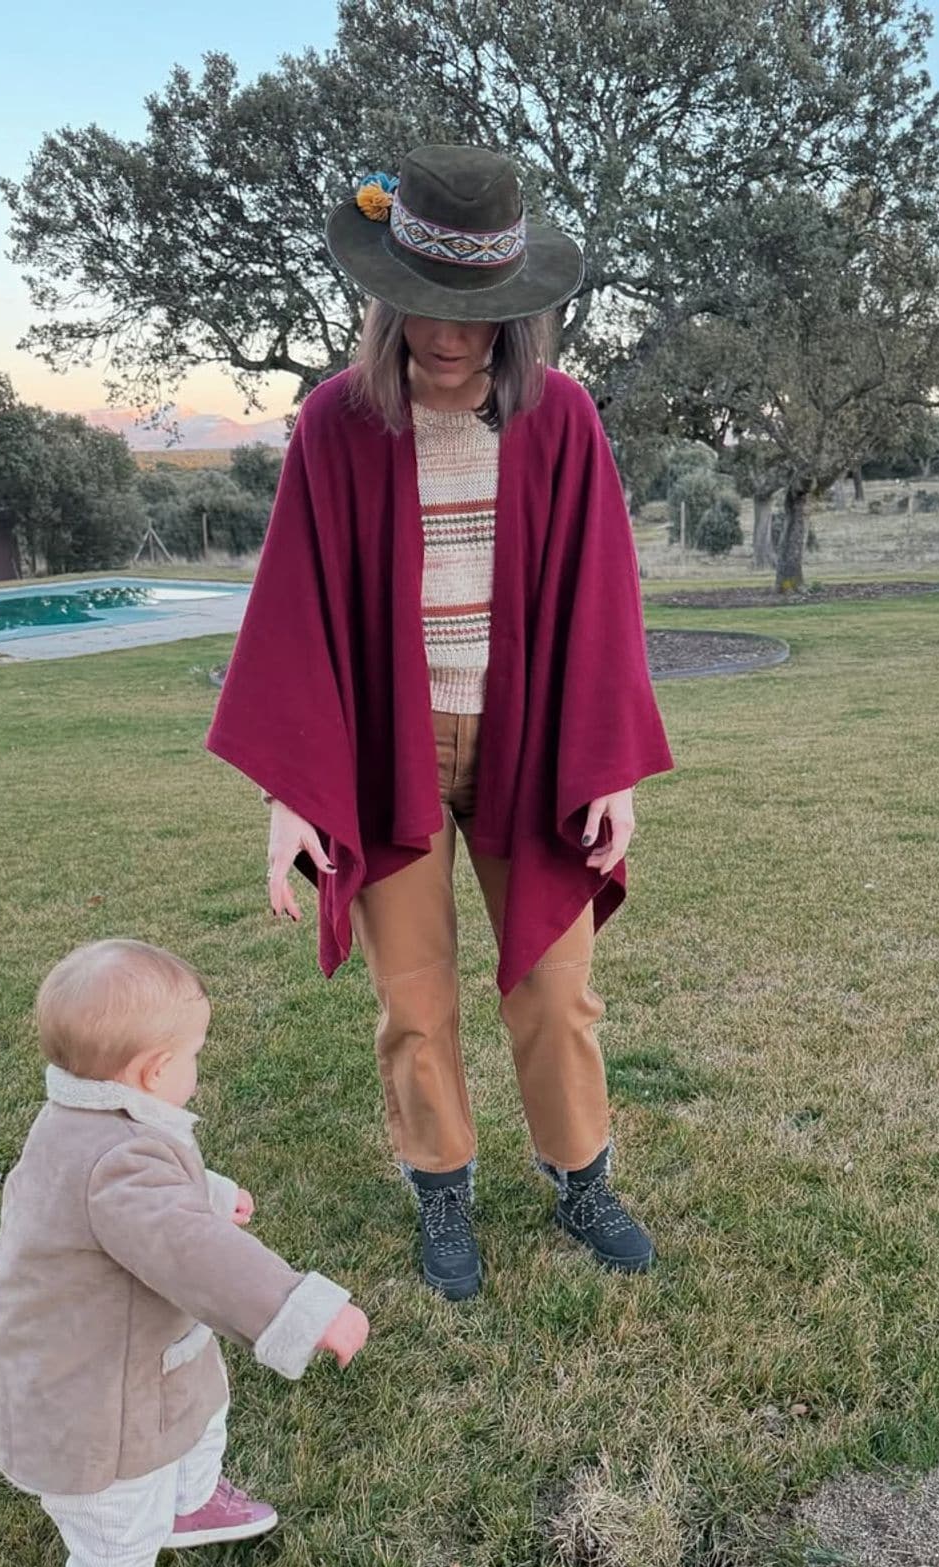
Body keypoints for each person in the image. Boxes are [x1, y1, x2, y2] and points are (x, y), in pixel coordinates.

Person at [207, 144, 673, 1303]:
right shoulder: (337, 424)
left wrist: (612, 771)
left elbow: (605, 599)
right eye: (422, 306)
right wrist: (289, 798)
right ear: (387, 295)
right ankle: (444, 1192)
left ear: (516, 314)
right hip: (390, 750)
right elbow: (297, 615)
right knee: (413, 1002)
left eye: (473, 314)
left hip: (535, 746)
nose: (446, 334)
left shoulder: (560, 420)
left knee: (557, 987)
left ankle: (581, 1179)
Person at [0, 939, 368, 1567]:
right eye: (193, 1053)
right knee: (115, 1537)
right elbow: (196, 1253)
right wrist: (309, 1308)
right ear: (155, 1070)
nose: (199, 1066)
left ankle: (189, 1501)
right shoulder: (115, 1165)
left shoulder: (81, 1118)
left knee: (204, 1406)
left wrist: (209, 1187)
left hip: (142, 1362)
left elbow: (153, 1188)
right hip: (94, 1406)